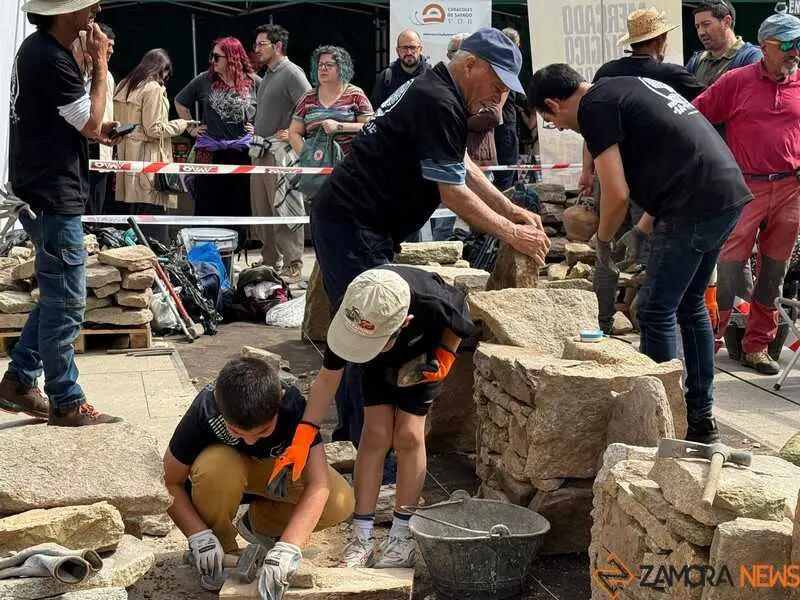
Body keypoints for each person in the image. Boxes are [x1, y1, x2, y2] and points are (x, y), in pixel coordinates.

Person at [266, 27, 549, 523]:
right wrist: (513, 232)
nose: (500, 96)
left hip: (366, 223)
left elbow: (459, 165)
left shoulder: (442, 94)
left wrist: (512, 212)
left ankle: (365, 444)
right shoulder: (438, 98)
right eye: (498, 83)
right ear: (472, 65)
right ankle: (367, 453)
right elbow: (450, 192)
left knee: (373, 327)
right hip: (353, 223)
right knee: (368, 329)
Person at [527, 63, 751, 444]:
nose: (561, 128)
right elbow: (671, 156)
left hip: (694, 202)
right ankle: (698, 419)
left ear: (554, 103)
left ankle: (661, 427)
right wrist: (642, 228)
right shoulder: (619, 88)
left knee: (653, 308)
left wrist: (602, 245)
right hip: (724, 192)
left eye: (553, 121)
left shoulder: (594, 107)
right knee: (689, 304)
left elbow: (616, 193)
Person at [0, 0, 121, 426]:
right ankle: (66, 400)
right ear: (68, 11)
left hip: (43, 188)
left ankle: (18, 380)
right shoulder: (49, 57)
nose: (97, 10)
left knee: (56, 297)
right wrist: (101, 66)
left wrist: (88, 70)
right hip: (51, 193)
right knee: (67, 302)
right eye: (89, 5)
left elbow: (72, 119)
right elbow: (88, 122)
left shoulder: (40, 51)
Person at [322, 266, 476, 568]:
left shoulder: (432, 301)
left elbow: (461, 320)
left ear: (404, 322)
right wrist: (305, 430)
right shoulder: (355, 306)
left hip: (423, 357)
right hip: (372, 355)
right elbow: (327, 378)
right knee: (375, 433)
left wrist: (445, 356)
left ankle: (402, 534)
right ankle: (362, 535)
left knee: (408, 435)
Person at [163, 357, 354, 593]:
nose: (251, 440)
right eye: (236, 432)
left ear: (279, 401)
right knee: (217, 465)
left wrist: (289, 546)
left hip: (273, 473)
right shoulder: (205, 411)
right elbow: (170, 481)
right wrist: (198, 535)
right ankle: (220, 548)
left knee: (340, 500)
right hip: (224, 475)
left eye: (264, 430)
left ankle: (261, 524)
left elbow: (318, 484)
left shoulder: (292, 407)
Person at [581, 7, 706, 334]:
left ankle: (603, 323)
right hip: (653, 181)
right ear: (661, 39)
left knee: (606, 247)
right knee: (650, 254)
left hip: (609, 173)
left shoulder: (607, 71)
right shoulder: (675, 77)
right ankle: (647, 321)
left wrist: (587, 171)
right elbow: (705, 116)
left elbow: (590, 126)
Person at [692, 10, 800, 375]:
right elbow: (696, 117)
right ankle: (709, 341)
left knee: (774, 271)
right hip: (744, 186)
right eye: (787, 44)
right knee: (728, 268)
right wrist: (715, 166)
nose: (795, 51)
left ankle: (757, 347)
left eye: (799, 44)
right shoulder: (736, 81)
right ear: (764, 46)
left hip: (791, 187)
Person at [175, 37, 260, 249]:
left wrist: (258, 128)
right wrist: (190, 128)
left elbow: (270, 108)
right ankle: (204, 253)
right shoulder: (205, 80)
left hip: (242, 152)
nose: (212, 61)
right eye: (211, 56)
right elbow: (180, 101)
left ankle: (234, 253)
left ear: (232, 58)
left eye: (217, 57)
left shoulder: (255, 82)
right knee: (207, 205)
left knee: (238, 205)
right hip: (210, 151)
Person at [250, 25, 311, 283]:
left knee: (285, 209)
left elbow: (311, 105)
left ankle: (293, 264)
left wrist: (294, 131)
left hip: (280, 152)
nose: (256, 49)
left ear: (277, 46)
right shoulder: (269, 75)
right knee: (264, 210)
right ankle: (270, 260)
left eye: (261, 44)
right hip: (261, 150)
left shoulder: (291, 73)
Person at [114, 49, 188, 242]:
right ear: (161, 69)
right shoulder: (153, 88)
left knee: (134, 219)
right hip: (149, 159)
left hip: (127, 158)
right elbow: (154, 129)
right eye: (167, 73)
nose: (166, 78)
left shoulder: (123, 85)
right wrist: (182, 124)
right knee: (154, 220)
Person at [289, 46, 373, 159]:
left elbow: (370, 126)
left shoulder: (355, 95)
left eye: (329, 65)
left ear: (342, 68)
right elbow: (294, 132)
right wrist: (307, 157)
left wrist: (339, 127)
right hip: (317, 167)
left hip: (349, 166)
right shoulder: (308, 97)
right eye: (320, 65)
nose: (323, 68)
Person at [71, 23, 115, 215]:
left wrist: (106, 129)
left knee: (95, 208)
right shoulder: (72, 73)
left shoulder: (108, 77)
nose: (110, 50)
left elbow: (104, 112)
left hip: (99, 149)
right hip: (76, 148)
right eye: (107, 45)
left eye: (112, 46)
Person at [687, 0, 762, 86]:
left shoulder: (751, 57)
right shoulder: (696, 60)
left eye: (706, 24)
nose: (701, 32)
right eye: (697, 26)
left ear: (727, 22)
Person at [493, 27, 530, 193]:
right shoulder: (509, 64)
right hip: (504, 125)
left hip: (494, 124)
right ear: (517, 44)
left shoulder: (493, 61)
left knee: (500, 172)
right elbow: (513, 94)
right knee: (505, 174)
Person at [371, 30, 428, 109]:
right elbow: (376, 112)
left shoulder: (432, 76)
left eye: (412, 47)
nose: (409, 52)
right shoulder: (386, 77)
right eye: (404, 48)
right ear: (397, 51)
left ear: (420, 49)